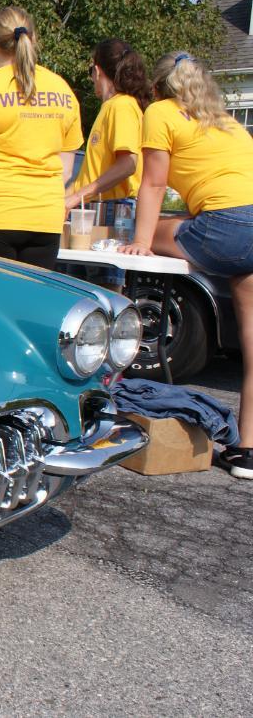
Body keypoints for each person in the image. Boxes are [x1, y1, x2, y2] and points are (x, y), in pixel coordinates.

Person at [119, 52, 253, 479]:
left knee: (148, 228)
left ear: (158, 89)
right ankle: (247, 451)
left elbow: (154, 182)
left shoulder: (160, 112)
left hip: (225, 226)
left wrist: (141, 241)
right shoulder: (227, 121)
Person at [0, 6, 83, 269]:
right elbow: (66, 169)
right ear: (33, 39)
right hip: (44, 220)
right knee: (32, 307)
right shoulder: (62, 89)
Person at [66, 39, 151, 209]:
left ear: (97, 71)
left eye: (91, 71)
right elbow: (92, 174)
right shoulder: (113, 107)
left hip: (112, 210)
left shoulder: (121, 106)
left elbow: (127, 164)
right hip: (101, 207)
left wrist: (76, 197)